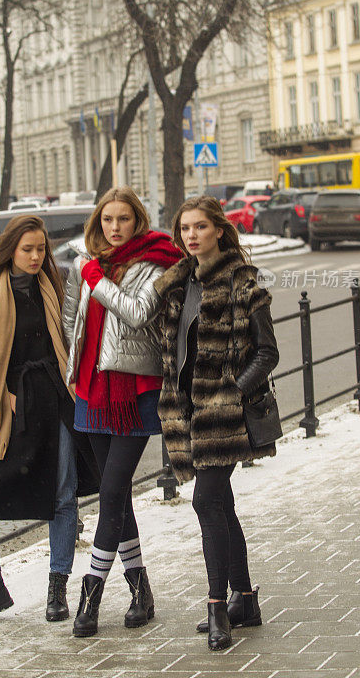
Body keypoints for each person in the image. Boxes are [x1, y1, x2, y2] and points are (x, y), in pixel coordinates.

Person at [0, 215, 99, 626]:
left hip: (56, 401)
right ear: (10, 250)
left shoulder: (54, 286)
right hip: (11, 411)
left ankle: (58, 590)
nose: (36, 257)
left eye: (41, 249)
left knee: (63, 495)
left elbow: (75, 338)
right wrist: (2, 396)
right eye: (27, 249)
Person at [154, 196, 279, 652]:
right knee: (220, 504)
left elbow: (268, 353)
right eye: (184, 228)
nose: (191, 235)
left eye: (200, 227)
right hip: (186, 412)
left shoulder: (244, 283)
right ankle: (245, 598)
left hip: (223, 417)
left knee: (206, 501)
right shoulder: (177, 285)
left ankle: (216, 607)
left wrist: (233, 391)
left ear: (219, 231)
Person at [62, 187, 181, 637]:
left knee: (112, 490)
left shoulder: (153, 265)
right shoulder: (85, 265)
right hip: (92, 390)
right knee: (116, 497)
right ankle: (139, 590)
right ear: (98, 223)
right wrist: (71, 373)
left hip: (135, 392)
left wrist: (97, 279)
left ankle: (89, 595)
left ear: (138, 221)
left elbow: (136, 314)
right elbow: (72, 320)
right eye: (107, 220)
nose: (114, 227)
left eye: (123, 219)